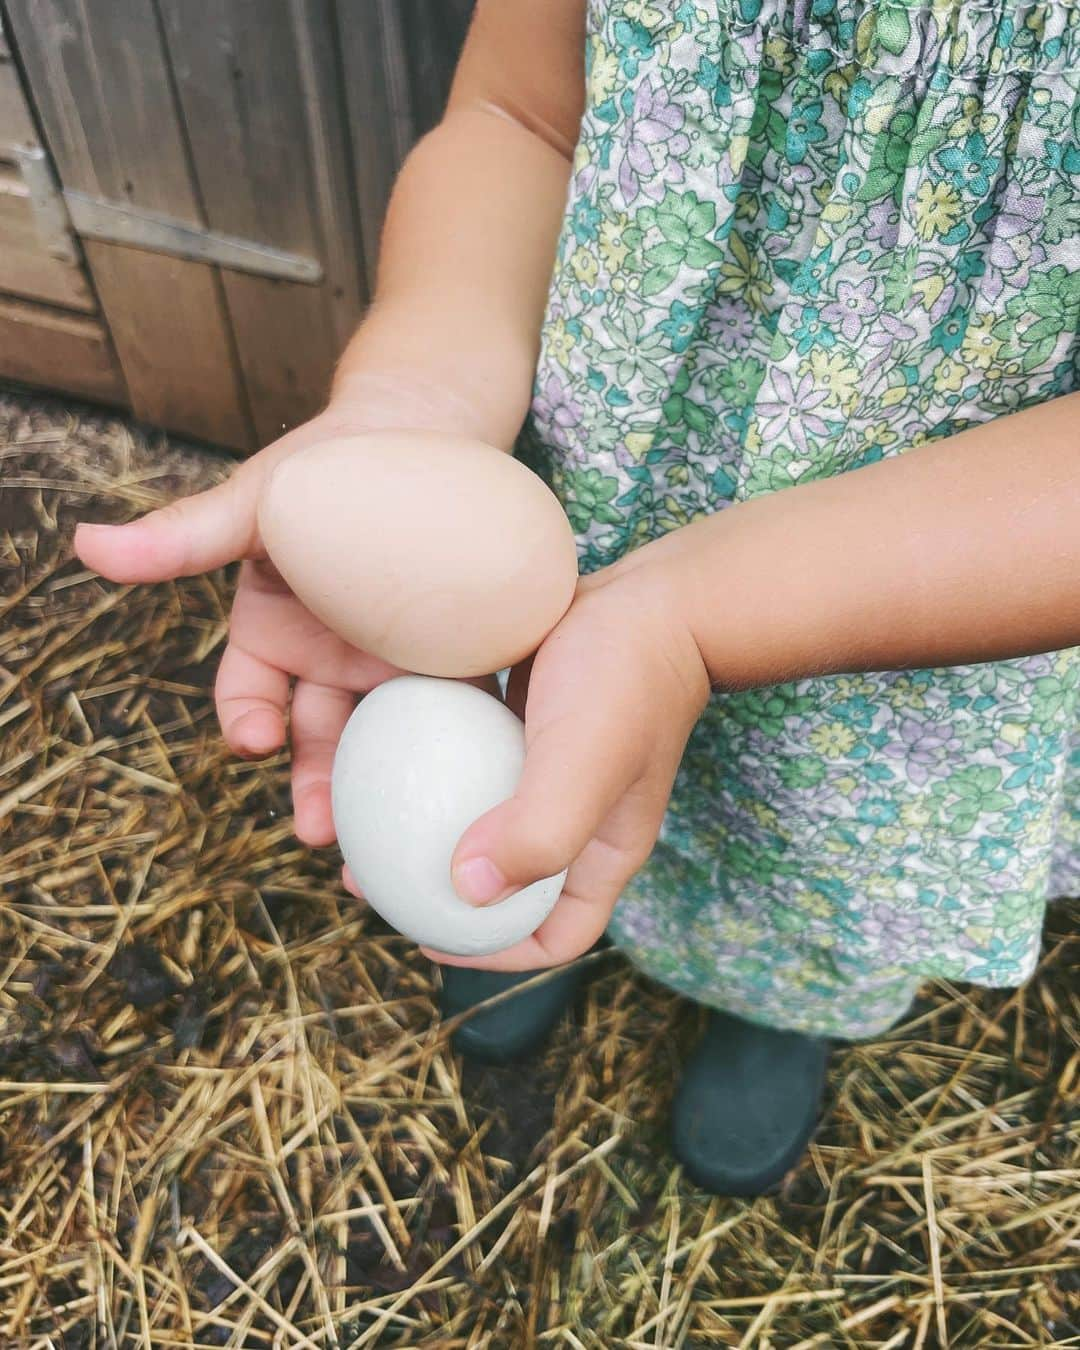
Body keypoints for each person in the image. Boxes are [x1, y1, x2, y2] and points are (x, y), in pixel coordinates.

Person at [76, 0, 1079, 1196]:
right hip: (600, 492)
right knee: (543, 745)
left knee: (806, 840)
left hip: (918, 586)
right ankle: (515, 897)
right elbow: (518, 114)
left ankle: (779, 997)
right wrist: (413, 412)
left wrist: (696, 618)